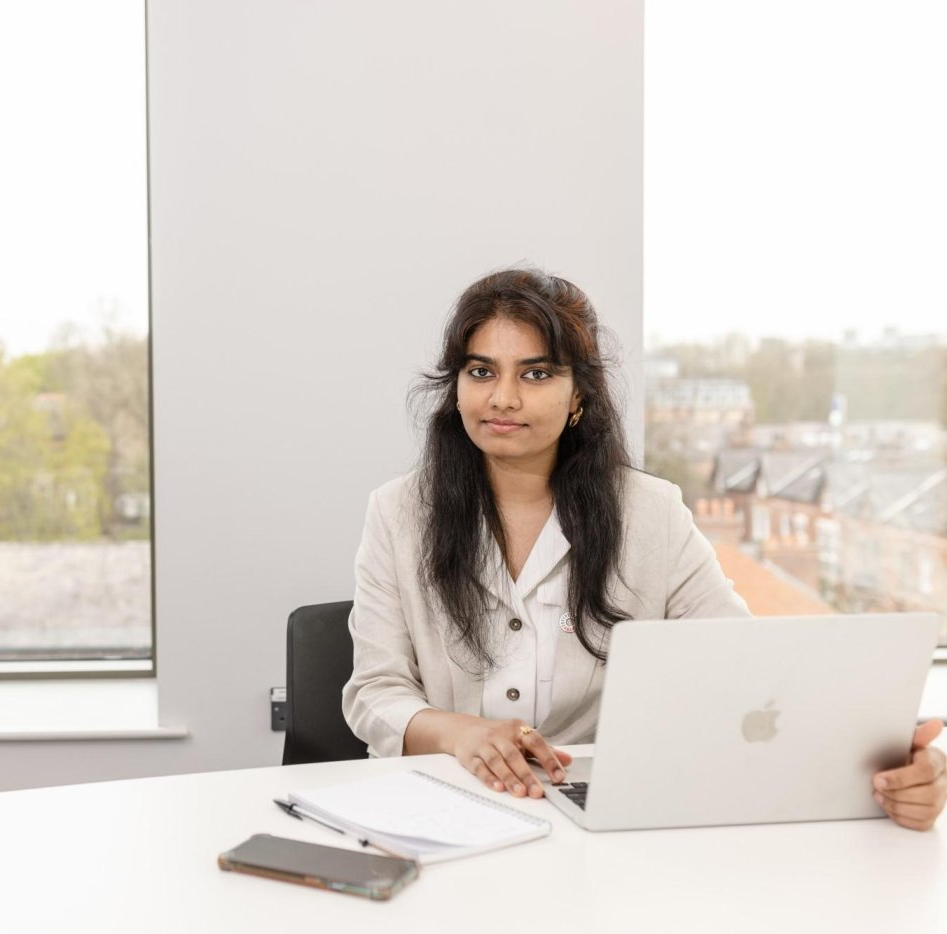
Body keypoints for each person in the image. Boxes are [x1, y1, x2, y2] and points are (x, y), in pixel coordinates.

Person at [341, 266, 947, 831]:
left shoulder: (650, 512)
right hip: (441, 803)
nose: (502, 397)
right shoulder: (398, 513)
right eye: (480, 372)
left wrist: (886, 756)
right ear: (455, 389)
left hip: (607, 811)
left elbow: (746, 666)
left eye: (536, 373)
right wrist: (456, 732)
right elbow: (375, 692)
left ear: (579, 396)